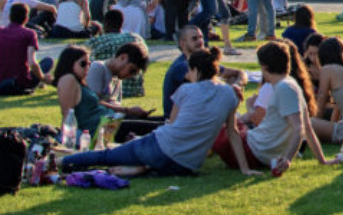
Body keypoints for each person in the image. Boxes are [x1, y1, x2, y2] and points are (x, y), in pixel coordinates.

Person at [61, 46, 254, 177]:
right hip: (187, 166)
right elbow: (233, 132)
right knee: (130, 151)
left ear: (195, 70)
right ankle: (141, 168)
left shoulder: (185, 90)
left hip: (161, 148)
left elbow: (170, 125)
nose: (187, 75)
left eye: (189, 71)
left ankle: (59, 162)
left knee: (104, 156)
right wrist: (244, 168)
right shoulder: (230, 94)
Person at [214, 40, 330, 174]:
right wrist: (322, 160)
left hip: (253, 150)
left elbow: (299, 128)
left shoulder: (284, 88)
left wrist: (287, 159)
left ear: (264, 67)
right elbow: (307, 128)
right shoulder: (291, 83)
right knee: (234, 122)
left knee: (215, 119)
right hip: (258, 146)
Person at [0, 3, 53, 95]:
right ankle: (37, 83)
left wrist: (3, 49)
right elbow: (32, 62)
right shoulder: (29, 33)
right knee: (48, 61)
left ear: (10, 17)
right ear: (26, 18)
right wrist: (42, 77)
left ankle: (1, 85)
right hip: (22, 82)